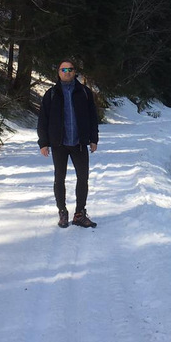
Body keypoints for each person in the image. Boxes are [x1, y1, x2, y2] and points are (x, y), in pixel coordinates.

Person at [37, 59, 99, 228]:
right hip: (59, 144)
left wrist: (93, 139)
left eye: (70, 69)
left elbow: (92, 117)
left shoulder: (84, 92)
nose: (67, 72)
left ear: (75, 72)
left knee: (83, 178)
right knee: (59, 178)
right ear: (58, 72)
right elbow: (43, 119)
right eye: (63, 69)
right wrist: (43, 143)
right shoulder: (51, 94)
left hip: (79, 143)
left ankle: (79, 214)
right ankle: (62, 212)